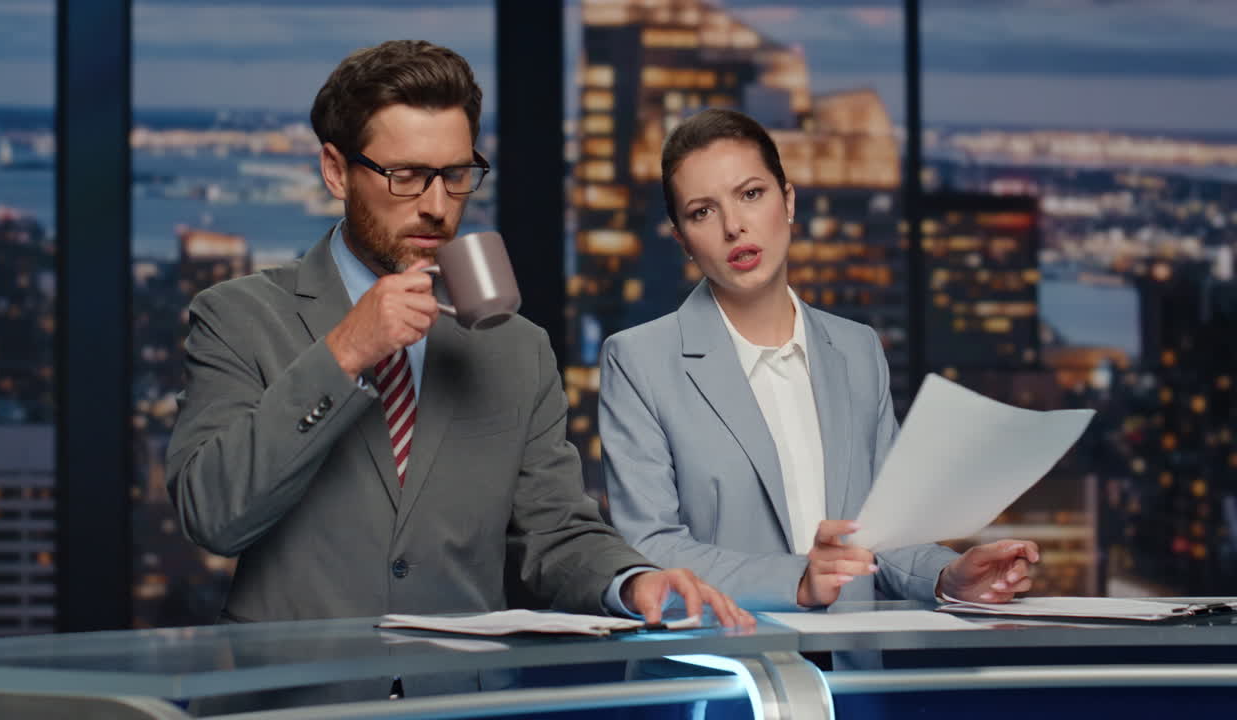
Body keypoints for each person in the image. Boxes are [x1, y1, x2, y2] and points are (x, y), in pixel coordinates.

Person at [165, 40, 751, 643]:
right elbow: (212, 515)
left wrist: (630, 583)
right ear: (336, 170)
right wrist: (345, 351)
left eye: (455, 175)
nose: (438, 207)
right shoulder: (237, 315)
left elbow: (553, 531)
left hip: (458, 696)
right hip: (298, 697)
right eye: (407, 177)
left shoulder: (516, 349)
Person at [598, 108, 1040, 612]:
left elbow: (881, 535)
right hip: (720, 670)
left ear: (787, 202)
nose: (734, 227)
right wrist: (798, 581)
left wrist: (947, 575)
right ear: (682, 239)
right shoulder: (639, 361)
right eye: (703, 211)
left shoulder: (857, 350)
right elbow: (650, 548)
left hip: (851, 675)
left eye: (750, 194)